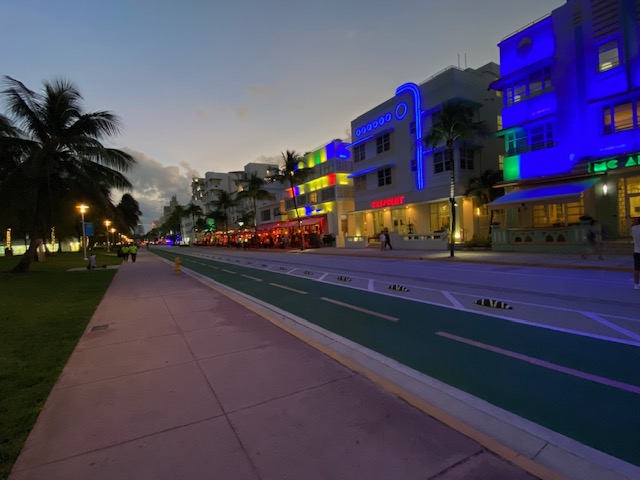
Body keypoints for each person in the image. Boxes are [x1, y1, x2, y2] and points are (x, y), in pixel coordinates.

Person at [632, 217, 640, 290]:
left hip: (637, 251)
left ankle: (636, 284)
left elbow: (633, 224)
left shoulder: (634, 228)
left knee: (636, 268)